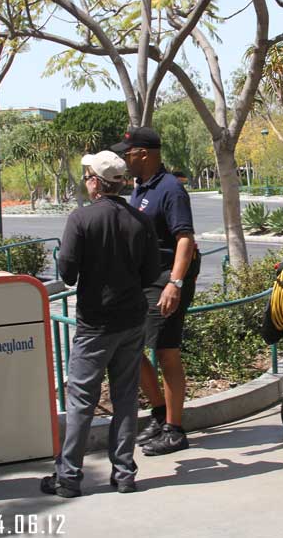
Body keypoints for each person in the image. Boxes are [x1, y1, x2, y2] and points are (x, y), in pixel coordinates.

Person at [41, 151, 160, 498]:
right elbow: (151, 274)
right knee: (125, 397)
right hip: (131, 318)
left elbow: (67, 273)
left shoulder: (81, 219)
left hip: (95, 322)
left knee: (81, 398)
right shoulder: (140, 220)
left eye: (87, 175)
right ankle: (124, 473)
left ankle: (69, 477)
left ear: (95, 182)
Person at [112, 127, 200, 457]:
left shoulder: (170, 190)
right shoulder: (141, 188)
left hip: (167, 280)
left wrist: (174, 284)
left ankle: (175, 431)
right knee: (131, 350)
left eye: (128, 153)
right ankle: (162, 416)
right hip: (145, 281)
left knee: (166, 351)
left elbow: (185, 239)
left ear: (144, 154)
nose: (125, 157)